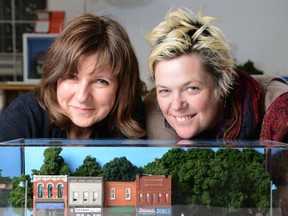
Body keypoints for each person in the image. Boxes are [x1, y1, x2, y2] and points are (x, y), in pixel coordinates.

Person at [144, 6, 288, 142]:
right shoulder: (152, 114)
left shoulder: (279, 107)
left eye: (192, 88)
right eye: (164, 90)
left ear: (224, 81)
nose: (176, 106)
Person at [0, 13, 146, 142]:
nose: (82, 97)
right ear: (54, 76)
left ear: (121, 87)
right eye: (71, 76)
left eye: (101, 81)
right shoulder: (22, 116)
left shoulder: (132, 113)